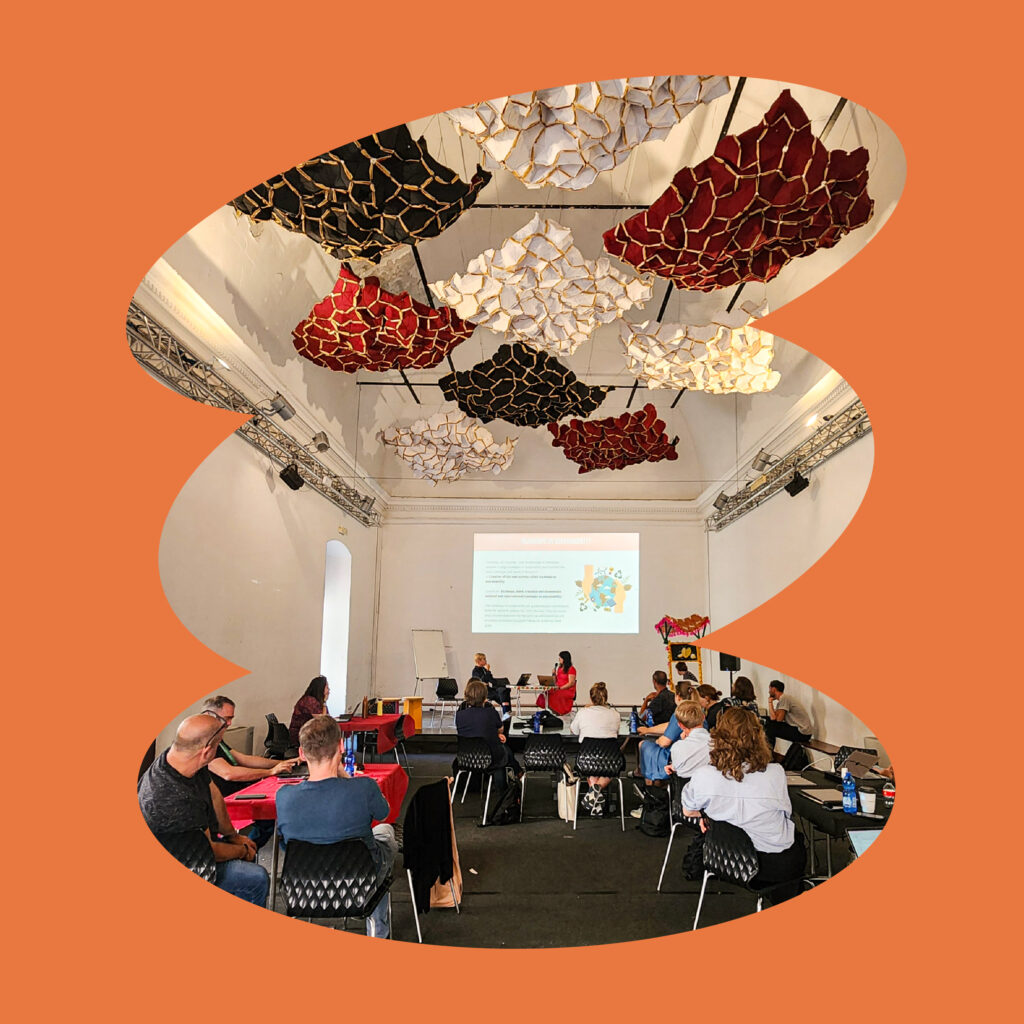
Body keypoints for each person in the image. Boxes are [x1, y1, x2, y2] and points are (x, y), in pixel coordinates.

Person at [276, 715, 397, 938]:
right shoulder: (364, 787)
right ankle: (378, 931)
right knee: (385, 833)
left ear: (301, 753)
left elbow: (285, 844)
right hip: (360, 882)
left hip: (303, 886)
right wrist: (346, 776)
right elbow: (384, 813)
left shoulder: (283, 796)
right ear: (341, 746)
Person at [138, 714, 269, 906]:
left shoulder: (184, 757)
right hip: (188, 861)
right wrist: (242, 851)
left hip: (195, 844)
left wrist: (233, 836)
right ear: (207, 752)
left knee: (249, 852)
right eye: (218, 746)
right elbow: (211, 850)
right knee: (256, 877)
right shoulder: (171, 799)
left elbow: (215, 796)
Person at [681, 708, 805, 901]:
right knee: (795, 840)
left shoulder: (703, 776)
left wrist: (706, 816)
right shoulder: (776, 773)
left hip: (723, 858)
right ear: (759, 737)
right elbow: (786, 814)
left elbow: (688, 811)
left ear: (718, 738)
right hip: (773, 866)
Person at [201, 696, 300, 846]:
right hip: (228, 800)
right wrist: (270, 772)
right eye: (227, 718)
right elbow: (228, 773)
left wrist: (281, 763)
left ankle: (249, 849)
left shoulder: (217, 739)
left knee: (275, 811)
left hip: (238, 792)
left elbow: (244, 759)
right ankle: (247, 849)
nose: (230, 723)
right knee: (274, 812)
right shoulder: (203, 741)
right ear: (210, 715)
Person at [456, 679, 520, 796]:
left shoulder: (459, 715)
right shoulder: (490, 712)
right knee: (503, 753)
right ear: (485, 697)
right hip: (489, 758)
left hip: (466, 757)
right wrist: (496, 734)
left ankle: (516, 774)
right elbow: (500, 729)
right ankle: (504, 793)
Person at [571, 681, 622, 816]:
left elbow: (574, 731)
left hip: (587, 759)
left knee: (592, 765)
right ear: (606, 697)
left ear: (591, 698)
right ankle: (596, 795)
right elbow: (616, 732)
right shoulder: (615, 714)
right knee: (609, 766)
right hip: (611, 760)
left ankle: (594, 793)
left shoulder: (583, 713)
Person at [666, 700, 712, 778]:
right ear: (703, 718)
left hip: (686, 784)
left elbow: (680, 768)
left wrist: (673, 767)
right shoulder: (717, 743)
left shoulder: (677, 747)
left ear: (680, 725)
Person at [764, 680, 813, 749]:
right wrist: (770, 702)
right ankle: (767, 751)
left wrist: (770, 702)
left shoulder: (784, 698)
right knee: (767, 721)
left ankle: (768, 752)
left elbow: (778, 720)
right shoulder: (782, 700)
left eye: (769, 689)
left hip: (802, 733)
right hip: (798, 730)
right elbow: (773, 718)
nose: (769, 691)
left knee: (771, 728)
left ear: (774, 689)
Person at [289, 675, 329, 747]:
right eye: (327, 687)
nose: (329, 690)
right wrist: (324, 702)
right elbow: (322, 720)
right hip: (301, 736)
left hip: (308, 733)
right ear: (320, 688)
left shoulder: (315, 700)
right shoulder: (309, 701)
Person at [537, 650, 576, 716]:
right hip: (558, 688)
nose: (559, 659)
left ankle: (559, 712)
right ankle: (554, 712)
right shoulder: (560, 668)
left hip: (567, 689)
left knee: (555, 695)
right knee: (545, 693)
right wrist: (554, 674)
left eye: (560, 658)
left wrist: (560, 688)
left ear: (564, 659)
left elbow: (571, 683)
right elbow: (556, 681)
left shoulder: (571, 669)